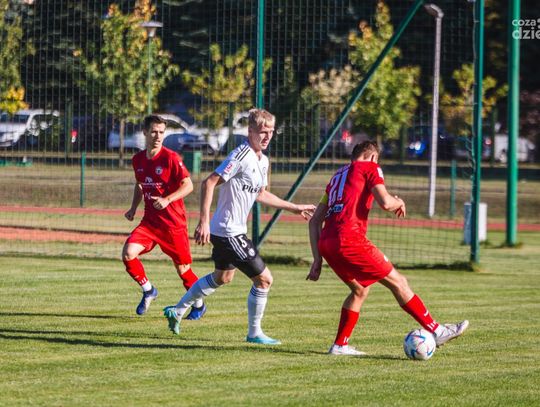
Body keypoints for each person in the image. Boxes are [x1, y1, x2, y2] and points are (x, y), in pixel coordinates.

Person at [163, 108, 316, 344]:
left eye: (271, 131)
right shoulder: (241, 155)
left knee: (222, 277)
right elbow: (209, 183)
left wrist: (294, 207)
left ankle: (178, 310)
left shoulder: (263, 161)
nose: (267, 136)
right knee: (264, 280)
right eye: (263, 132)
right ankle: (254, 333)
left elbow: (261, 194)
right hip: (228, 231)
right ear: (250, 131)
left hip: (230, 231)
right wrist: (203, 221)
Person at [307, 141, 468, 356]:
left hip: (327, 243)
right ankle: (437, 330)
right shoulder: (371, 167)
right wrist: (398, 202)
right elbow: (385, 202)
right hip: (349, 239)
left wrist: (317, 259)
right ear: (374, 157)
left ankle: (340, 345)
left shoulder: (337, 176)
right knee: (398, 281)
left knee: (360, 290)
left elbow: (314, 221)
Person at [122, 114, 206, 320]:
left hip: (173, 224)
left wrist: (167, 200)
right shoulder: (138, 160)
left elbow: (188, 185)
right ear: (145, 132)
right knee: (128, 253)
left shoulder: (171, 158)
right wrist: (133, 208)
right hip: (150, 223)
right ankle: (149, 290)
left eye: (161, 132)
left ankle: (199, 305)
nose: (158, 136)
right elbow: (140, 185)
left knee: (183, 270)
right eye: (154, 132)